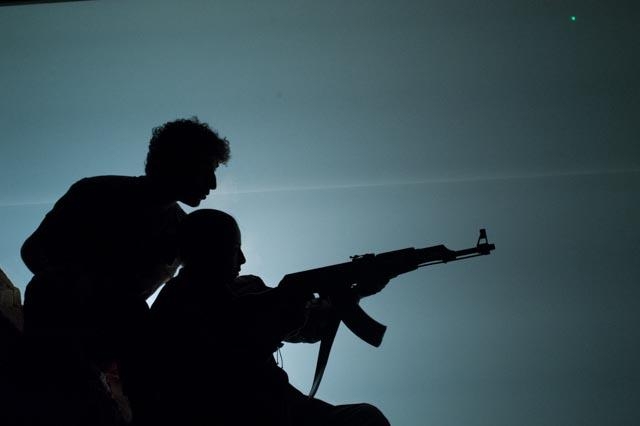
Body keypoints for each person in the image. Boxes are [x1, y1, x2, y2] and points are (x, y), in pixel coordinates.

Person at [19, 117, 231, 425]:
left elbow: (209, 288)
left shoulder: (183, 231)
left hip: (116, 338)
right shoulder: (96, 193)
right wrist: (86, 287)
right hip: (63, 319)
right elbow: (33, 251)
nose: (212, 184)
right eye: (207, 169)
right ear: (177, 161)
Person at [136, 208, 390, 426]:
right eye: (234, 250)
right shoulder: (179, 299)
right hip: (230, 408)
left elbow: (310, 327)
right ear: (209, 250)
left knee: (365, 418)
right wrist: (289, 297)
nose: (243, 259)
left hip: (280, 403)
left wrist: (353, 293)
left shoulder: (246, 287)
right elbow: (231, 328)